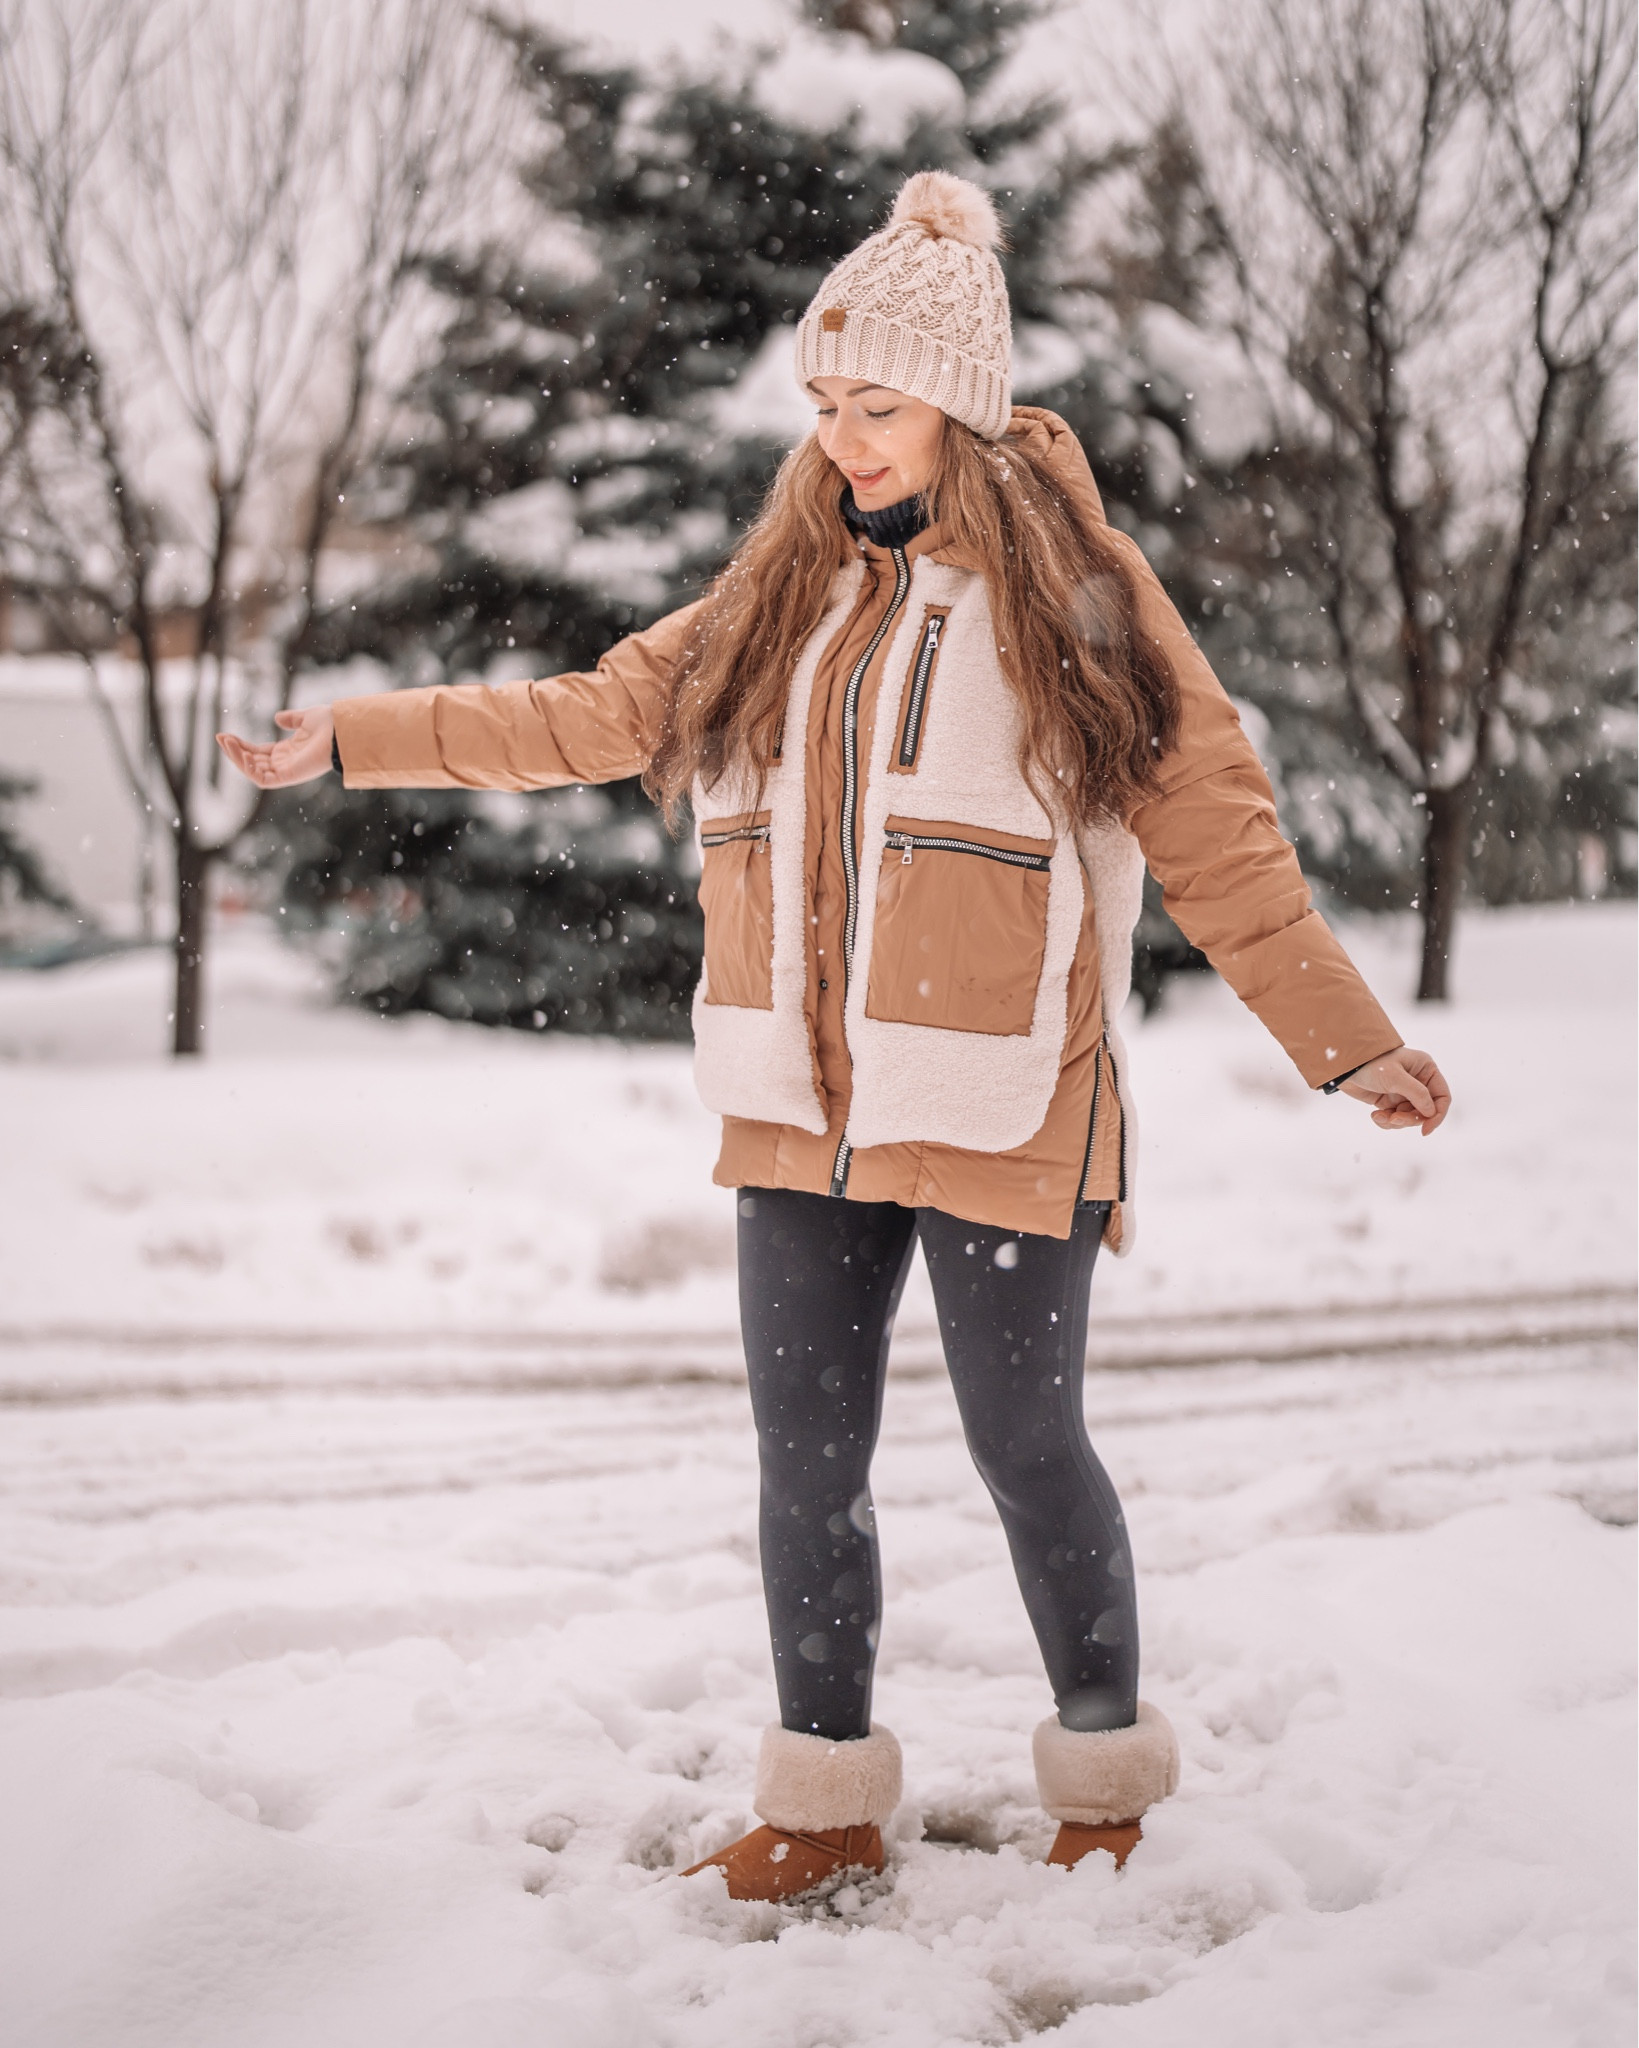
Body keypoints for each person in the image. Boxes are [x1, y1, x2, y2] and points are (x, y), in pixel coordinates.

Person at [221, 170, 1450, 1903]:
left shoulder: (1083, 596)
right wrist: (354, 738)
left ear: (958, 403)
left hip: (1013, 1093)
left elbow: (1215, 825)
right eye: (825, 405)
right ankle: (823, 1796)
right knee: (805, 1462)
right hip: (799, 1099)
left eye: (874, 406)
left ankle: (1104, 1779)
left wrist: (1348, 1042)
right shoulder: (781, 592)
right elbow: (587, 713)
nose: (842, 438)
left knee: (1028, 1449)